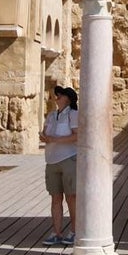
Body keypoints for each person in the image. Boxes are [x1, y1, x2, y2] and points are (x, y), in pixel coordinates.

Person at [39, 86, 78, 245]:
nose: (56, 97)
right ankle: (57, 232)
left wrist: (54, 140)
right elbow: (45, 133)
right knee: (55, 197)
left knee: (71, 197)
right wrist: (44, 137)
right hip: (51, 160)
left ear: (67, 98)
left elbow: (77, 136)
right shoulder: (51, 115)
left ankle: (75, 231)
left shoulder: (73, 115)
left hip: (69, 159)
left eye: (59, 95)